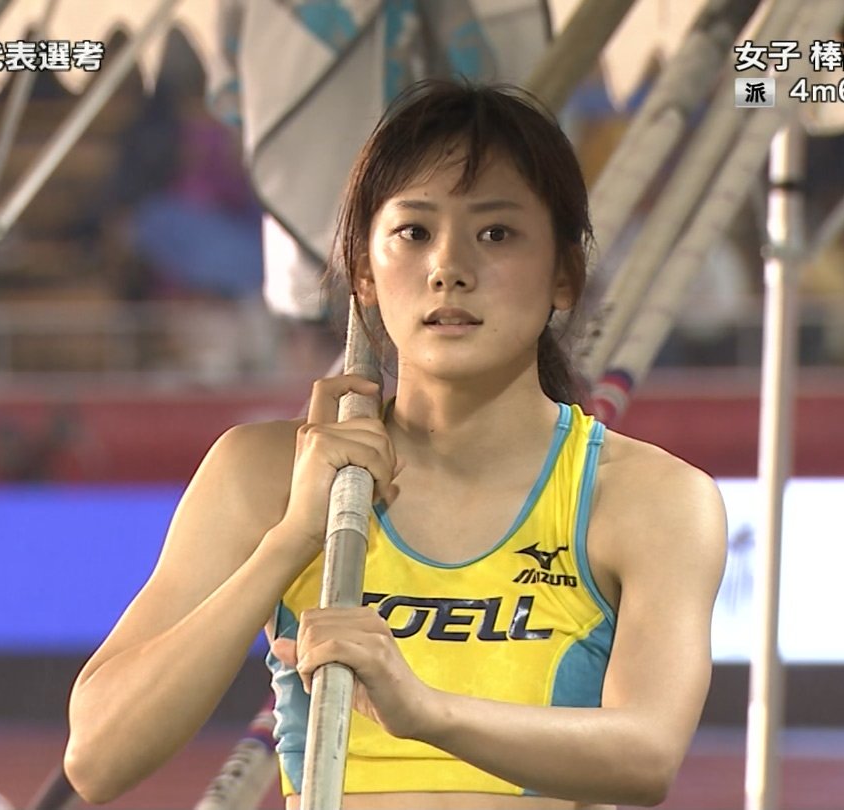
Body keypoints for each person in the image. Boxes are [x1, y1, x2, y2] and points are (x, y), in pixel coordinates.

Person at [64, 80, 728, 808]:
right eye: (413, 232)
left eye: (496, 233)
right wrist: (292, 539)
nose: (449, 268)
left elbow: (645, 755)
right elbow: (97, 757)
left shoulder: (648, 498)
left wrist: (423, 710)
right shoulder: (264, 473)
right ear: (363, 271)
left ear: (564, 275)